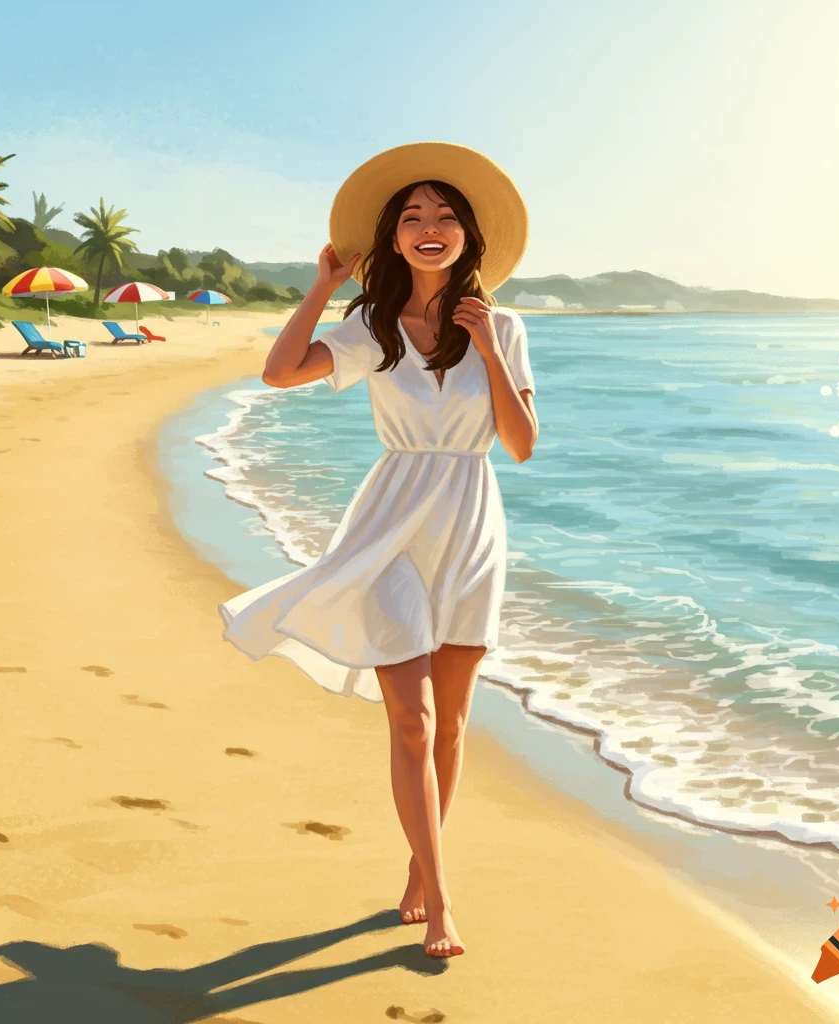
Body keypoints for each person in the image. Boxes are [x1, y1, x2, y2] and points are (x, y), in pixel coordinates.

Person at [218, 142, 538, 958]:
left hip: (470, 528)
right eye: (412, 217)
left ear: (469, 235)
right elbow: (280, 371)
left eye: (444, 216)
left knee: (454, 726)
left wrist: (491, 352)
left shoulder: (502, 326)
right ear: (393, 239)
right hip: (390, 524)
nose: (429, 228)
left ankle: (417, 864)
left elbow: (523, 445)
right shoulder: (370, 324)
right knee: (410, 722)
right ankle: (441, 900)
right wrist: (325, 283)